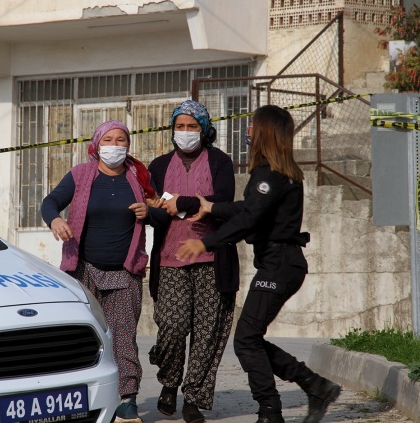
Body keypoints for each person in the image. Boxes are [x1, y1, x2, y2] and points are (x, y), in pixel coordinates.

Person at [175, 105, 341, 423]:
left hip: (280, 263)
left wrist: (206, 242)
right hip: (280, 262)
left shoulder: (270, 173)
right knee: (249, 338)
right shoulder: (275, 172)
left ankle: (273, 410)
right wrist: (212, 208)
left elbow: (251, 217)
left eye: (252, 125)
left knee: (246, 340)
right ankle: (314, 387)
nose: (248, 131)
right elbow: (251, 208)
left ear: (264, 132)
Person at [41, 120, 156, 423]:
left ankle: (127, 400)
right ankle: (78, 397)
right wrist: (55, 219)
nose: (115, 146)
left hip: (125, 272)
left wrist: (150, 212)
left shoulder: (139, 177)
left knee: (123, 338)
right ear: (96, 144)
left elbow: (161, 211)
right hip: (83, 271)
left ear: (128, 145)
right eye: (108, 140)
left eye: (121, 140)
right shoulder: (80, 175)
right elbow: (51, 202)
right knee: (81, 338)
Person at [146, 100, 239, 423]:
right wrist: (150, 210)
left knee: (207, 332)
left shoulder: (220, 161)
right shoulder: (158, 166)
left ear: (204, 129)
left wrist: (181, 202)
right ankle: (170, 381)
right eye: (180, 126)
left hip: (213, 258)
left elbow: (223, 201)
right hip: (170, 259)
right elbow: (158, 215)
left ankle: (193, 398)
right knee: (172, 326)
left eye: (192, 126)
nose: (185, 132)